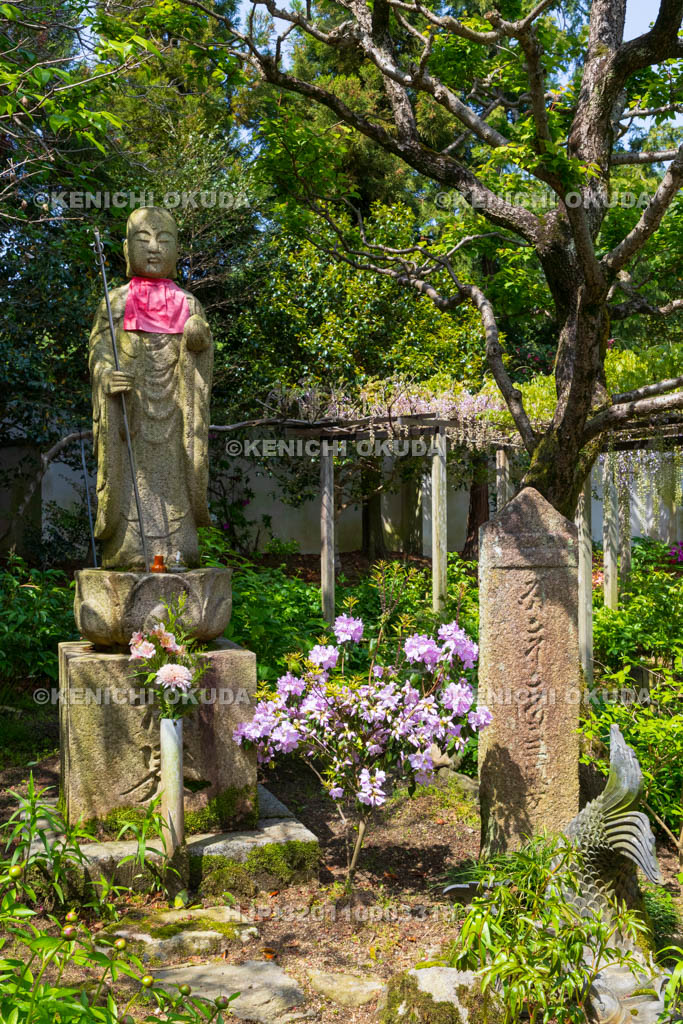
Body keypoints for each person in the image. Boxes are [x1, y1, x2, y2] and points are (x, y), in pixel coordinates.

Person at [89, 206, 213, 569]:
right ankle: (129, 543)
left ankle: (179, 542)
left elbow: (200, 356)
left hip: (175, 417)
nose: (155, 248)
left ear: (177, 250)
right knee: (130, 477)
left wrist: (198, 343)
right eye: (143, 239)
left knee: (177, 475)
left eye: (165, 240)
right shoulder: (115, 302)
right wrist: (106, 375)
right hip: (130, 418)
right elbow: (98, 351)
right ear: (127, 250)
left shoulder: (189, 304)